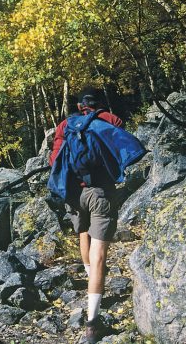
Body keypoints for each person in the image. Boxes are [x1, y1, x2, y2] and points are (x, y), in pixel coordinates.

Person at [49, 93, 123, 343]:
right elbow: (120, 150)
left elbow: (54, 159)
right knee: (100, 251)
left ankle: (91, 278)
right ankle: (92, 324)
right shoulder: (109, 119)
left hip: (73, 193)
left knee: (83, 233)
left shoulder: (65, 125)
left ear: (80, 106)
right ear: (99, 104)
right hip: (100, 191)